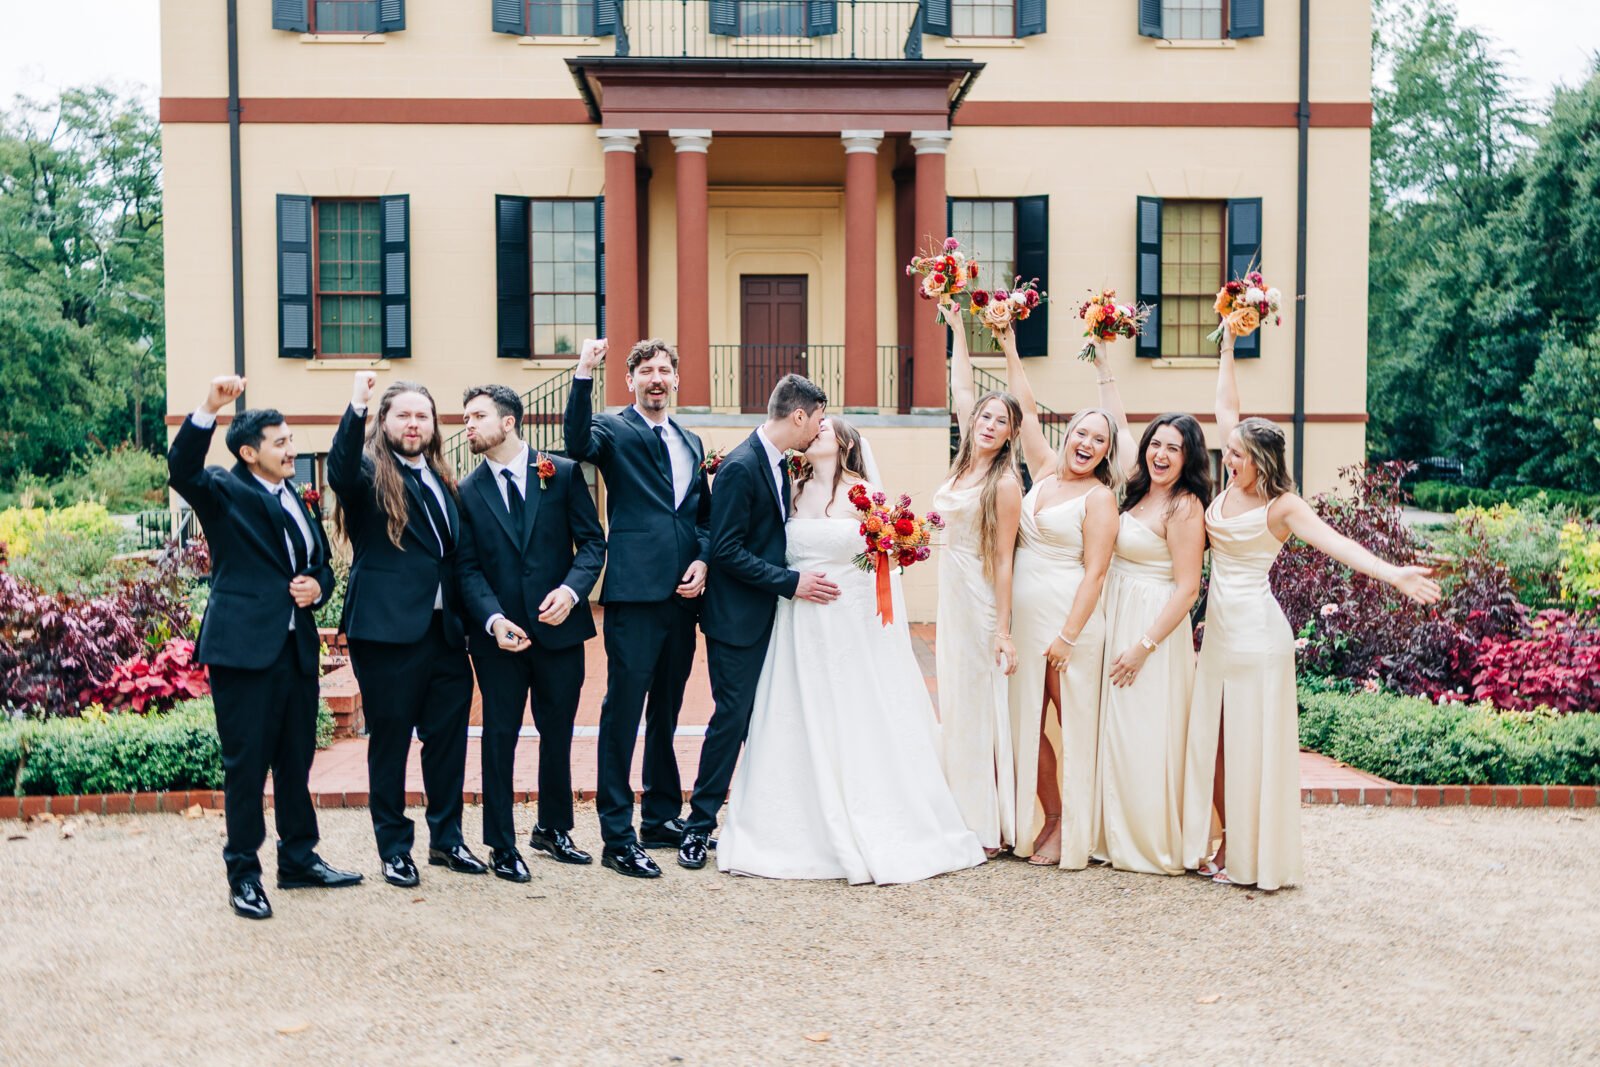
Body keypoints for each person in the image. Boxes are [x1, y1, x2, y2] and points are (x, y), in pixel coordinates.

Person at [1179, 326, 1442, 889]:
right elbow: (1225, 406)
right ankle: (1215, 838)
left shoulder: (1283, 506)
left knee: (1251, 746)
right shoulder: (1230, 482)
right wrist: (1227, 346)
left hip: (1257, 637)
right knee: (1214, 741)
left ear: (1261, 461)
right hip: (1219, 637)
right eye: (1230, 452)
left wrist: (1394, 573)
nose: (1228, 460)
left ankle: (1245, 853)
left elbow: (1338, 545)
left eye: (1238, 456)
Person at [716, 416, 986, 884]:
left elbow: (885, 559)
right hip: (798, 622)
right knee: (796, 714)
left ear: (843, 444)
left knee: (855, 713)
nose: (814, 431)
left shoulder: (865, 495)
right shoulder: (792, 489)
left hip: (849, 621)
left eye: (824, 428)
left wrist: (898, 546)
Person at [168, 374, 362, 920]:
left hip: (296, 651)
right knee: (247, 768)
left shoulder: (297, 497)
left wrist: (318, 586)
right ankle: (244, 876)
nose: (292, 449)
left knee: (296, 761)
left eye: (291, 439)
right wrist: (209, 406)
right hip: (242, 652)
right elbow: (181, 469)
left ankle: (298, 860)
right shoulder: (222, 491)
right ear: (250, 453)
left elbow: (321, 563)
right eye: (280, 442)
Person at [329, 372, 486, 888]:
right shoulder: (368, 473)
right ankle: (394, 849)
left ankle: (447, 840)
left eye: (423, 416)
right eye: (403, 415)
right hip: (386, 632)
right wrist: (356, 404)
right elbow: (339, 469)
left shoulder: (442, 478)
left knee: (448, 742)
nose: (414, 424)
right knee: (391, 743)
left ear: (434, 425)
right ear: (384, 421)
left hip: (445, 634)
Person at [564, 338, 712, 879]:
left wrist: (703, 559)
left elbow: (701, 516)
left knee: (667, 712)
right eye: (646, 370)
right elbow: (575, 442)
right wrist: (584, 371)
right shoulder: (612, 429)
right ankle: (617, 835)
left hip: (683, 599)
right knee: (623, 712)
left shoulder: (692, 440)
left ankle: (661, 817)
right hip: (633, 595)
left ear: (676, 379)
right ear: (630, 381)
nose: (656, 378)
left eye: (664, 370)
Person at [678, 374, 839, 871]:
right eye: (818, 418)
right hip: (735, 621)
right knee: (732, 719)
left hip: (769, 617)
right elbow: (726, 551)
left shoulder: (777, 462)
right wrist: (792, 582)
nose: (820, 427)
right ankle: (698, 826)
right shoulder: (741, 466)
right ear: (799, 415)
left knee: (766, 719)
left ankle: (764, 818)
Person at [455, 384, 606, 880]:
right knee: (499, 737)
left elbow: (592, 544)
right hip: (498, 639)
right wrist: (493, 620)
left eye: (477, 416)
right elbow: (466, 568)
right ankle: (501, 844)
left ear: (509, 422)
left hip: (560, 632)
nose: (468, 425)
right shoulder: (466, 491)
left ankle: (553, 829)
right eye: (465, 417)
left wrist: (571, 591)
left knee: (558, 734)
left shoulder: (561, 472)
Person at [998, 327, 1122, 869]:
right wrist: (1008, 345)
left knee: (1072, 725)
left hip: (1068, 626)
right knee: (1028, 725)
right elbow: (1025, 407)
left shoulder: (1100, 499)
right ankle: (1051, 816)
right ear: (1068, 434)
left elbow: (1096, 573)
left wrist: (1068, 637)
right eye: (1082, 433)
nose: (1087, 443)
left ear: (1106, 452)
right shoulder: (1044, 472)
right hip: (1025, 622)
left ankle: (1078, 827)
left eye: (1100, 440)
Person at [1088, 343, 1210, 876]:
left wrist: (1143, 646)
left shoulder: (1185, 506)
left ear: (1189, 458)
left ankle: (1146, 841)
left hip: (1152, 628)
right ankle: (1110, 835)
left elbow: (1187, 589)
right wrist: (1102, 365)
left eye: (1173, 448)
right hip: (1117, 610)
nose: (1161, 454)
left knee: (1142, 731)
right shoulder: (1138, 490)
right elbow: (1117, 423)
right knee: (1113, 730)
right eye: (1155, 444)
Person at [939, 304, 1024, 855]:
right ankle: (955, 807)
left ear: (1012, 433)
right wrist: (957, 329)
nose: (989, 425)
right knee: (955, 701)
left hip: (978, 597)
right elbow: (962, 388)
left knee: (977, 705)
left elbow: (1004, 559)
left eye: (1000, 422)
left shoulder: (1004, 482)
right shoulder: (962, 464)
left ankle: (985, 823)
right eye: (984, 417)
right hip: (949, 594)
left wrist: (1003, 629)